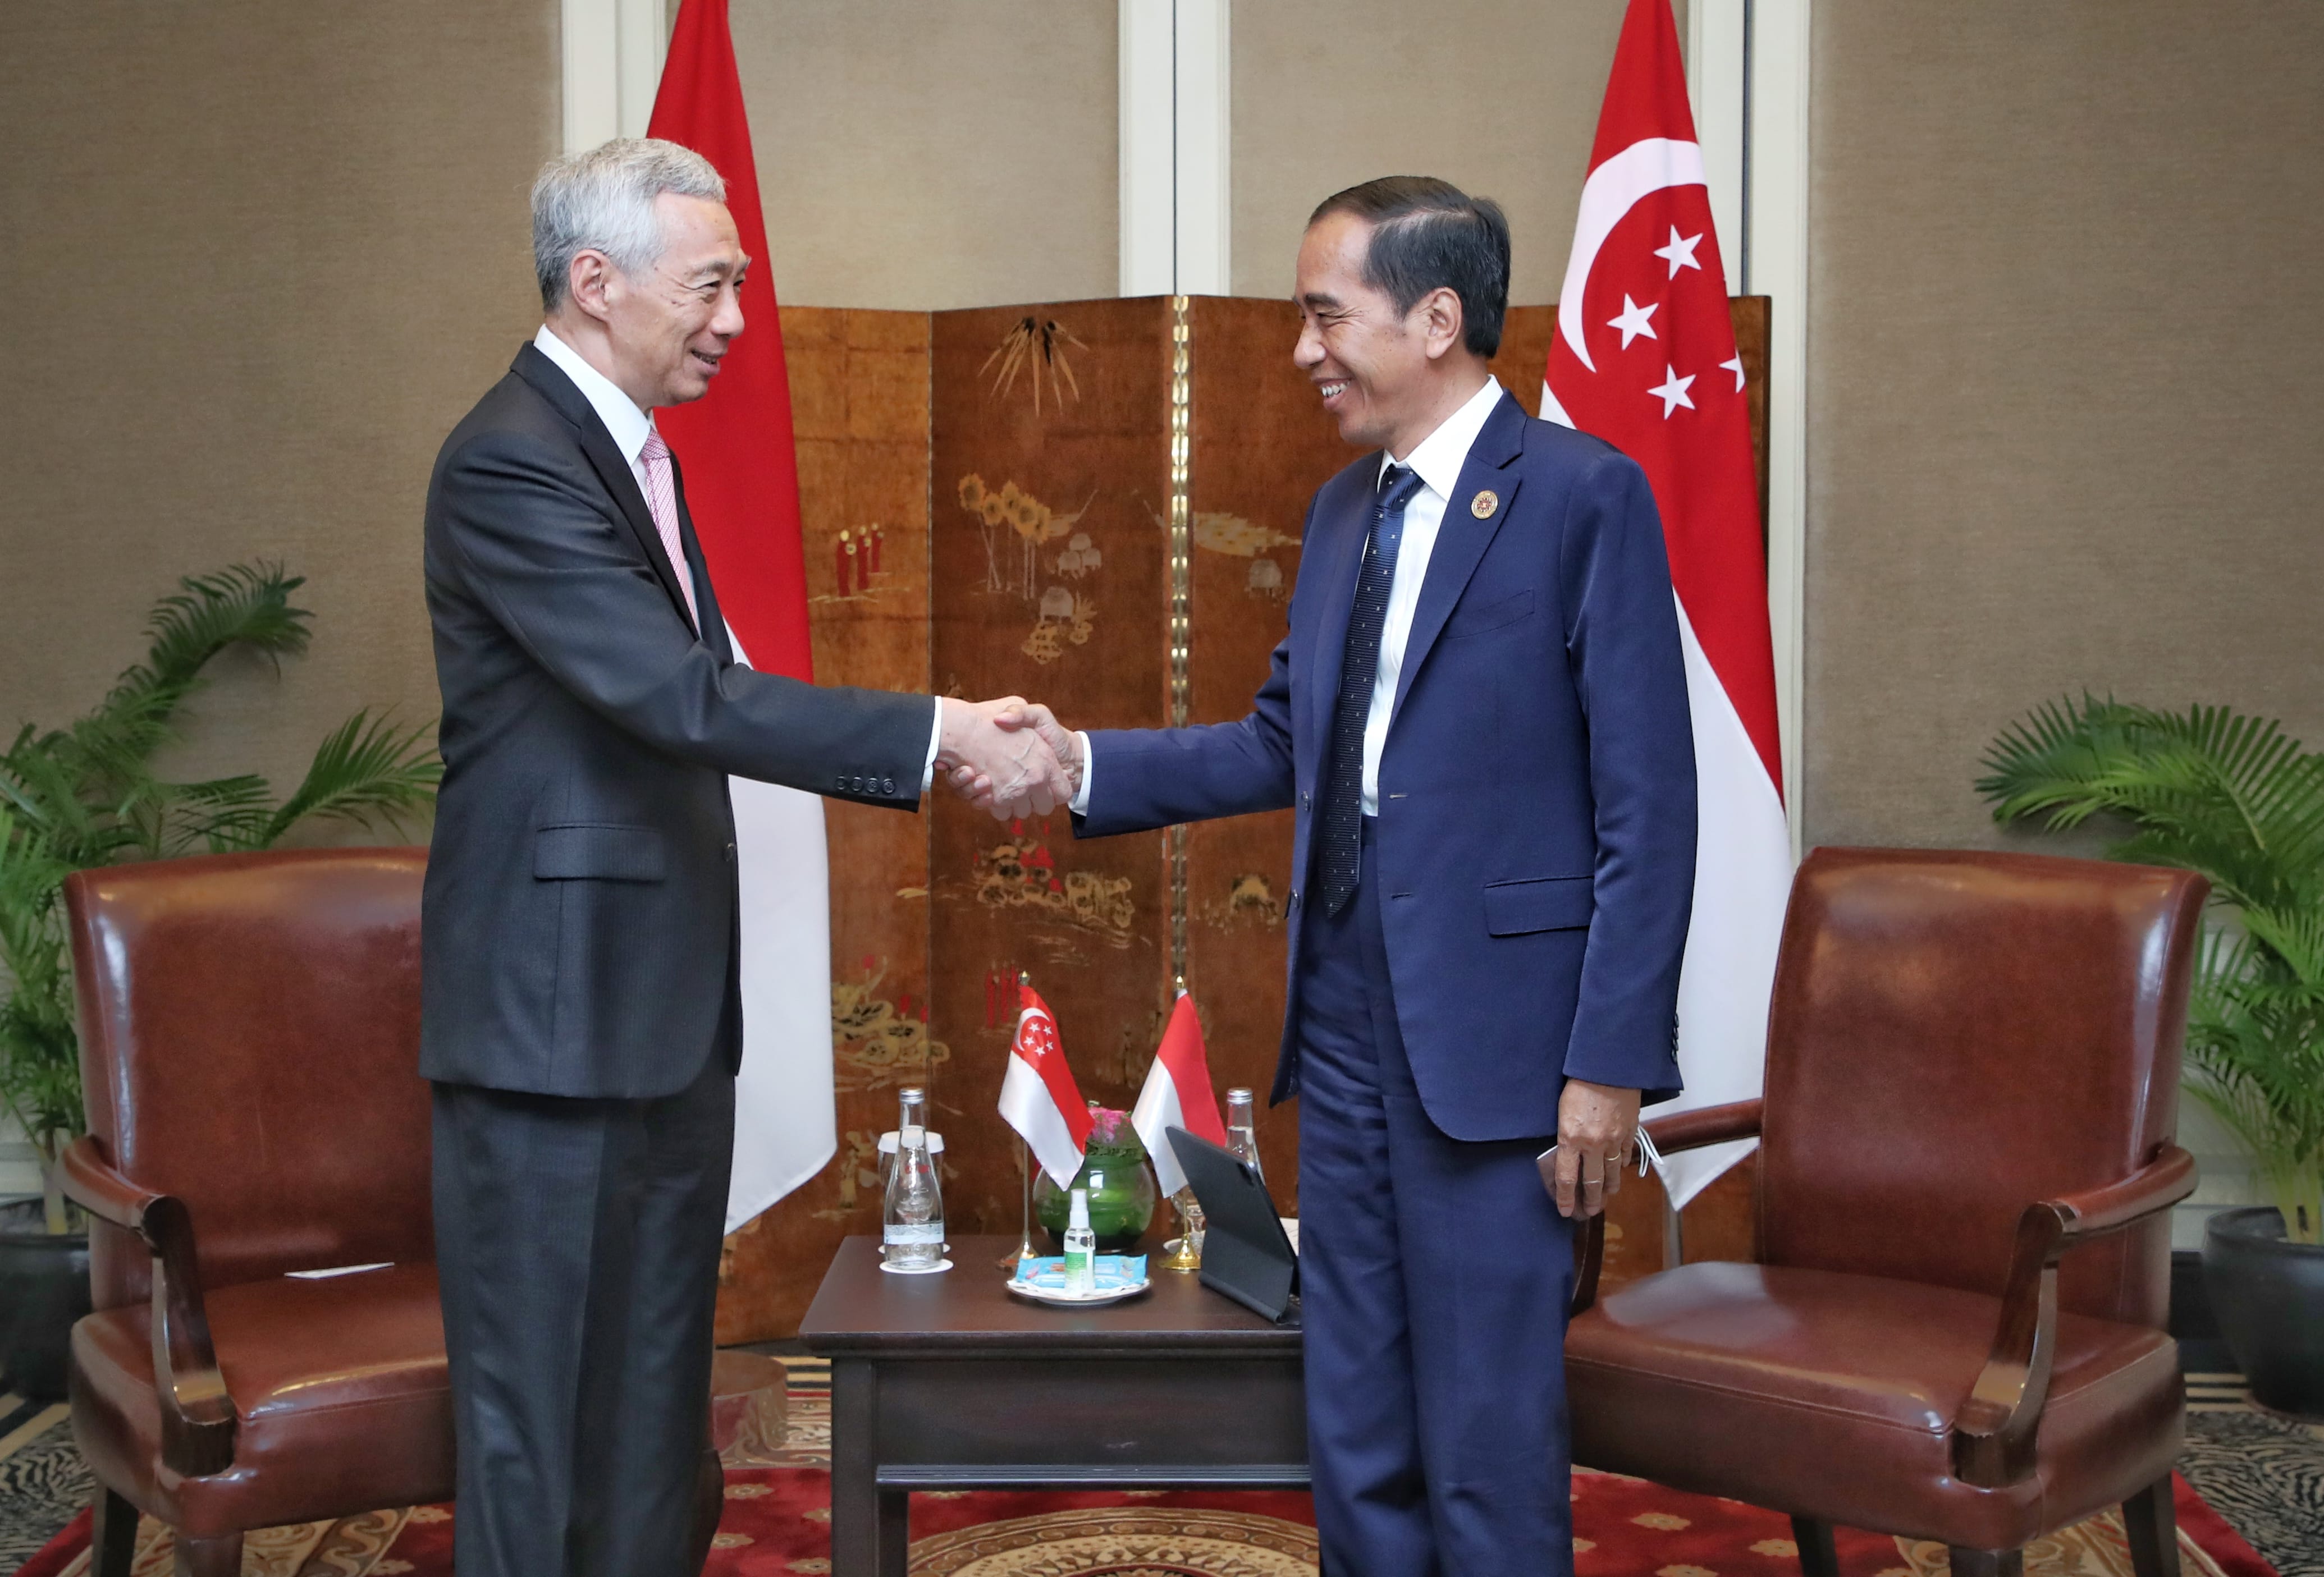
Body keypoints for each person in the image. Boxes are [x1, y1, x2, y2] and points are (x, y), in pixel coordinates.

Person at [988, 177, 1698, 1575]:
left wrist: (1607, 1063)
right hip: (1348, 1030)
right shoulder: (1339, 513)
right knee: (1357, 1425)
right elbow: (1280, 742)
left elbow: (1649, 807)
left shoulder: (1579, 498)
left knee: (1488, 1438)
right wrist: (1079, 765)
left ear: (1437, 318)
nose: (1303, 350)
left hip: (1504, 1050)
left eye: (1326, 315)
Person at [419, 137, 1058, 1576]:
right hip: (546, 1024)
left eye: (737, 287)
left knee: (652, 1405)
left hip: (652, 1012)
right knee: (537, 1421)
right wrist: (941, 725)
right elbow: (679, 695)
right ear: (595, 282)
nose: (732, 321)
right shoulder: (513, 462)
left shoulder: (627, 450)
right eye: (709, 286)